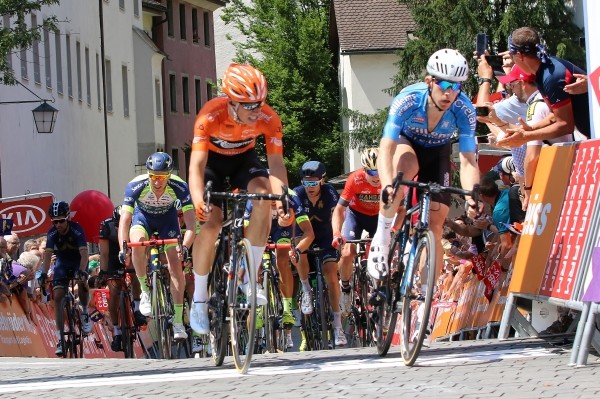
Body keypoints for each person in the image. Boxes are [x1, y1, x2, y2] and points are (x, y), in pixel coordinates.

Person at [187, 63, 289, 335]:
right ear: (232, 102)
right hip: (213, 165)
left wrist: (283, 199)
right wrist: (198, 200)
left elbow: (276, 166)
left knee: (265, 196)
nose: (257, 112)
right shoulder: (209, 116)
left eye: (260, 104)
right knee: (211, 224)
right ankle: (199, 299)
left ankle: (249, 273)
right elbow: (196, 166)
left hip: (244, 160)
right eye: (250, 106)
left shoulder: (269, 119)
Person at [367, 49, 480, 292]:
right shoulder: (408, 99)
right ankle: (383, 239)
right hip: (408, 143)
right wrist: (387, 184)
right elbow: (386, 148)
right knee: (403, 173)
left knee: (437, 224)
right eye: (445, 84)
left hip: (438, 151)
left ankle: (428, 292)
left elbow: (469, 160)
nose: (450, 92)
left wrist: (472, 195)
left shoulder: (464, 109)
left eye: (457, 86)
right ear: (430, 81)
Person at [118, 152, 197, 341]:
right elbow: (125, 221)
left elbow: (192, 224)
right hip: (143, 217)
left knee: (176, 266)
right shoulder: (136, 185)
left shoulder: (180, 186)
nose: (156, 181)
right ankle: (145, 292)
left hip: (167, 220)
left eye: (161, 177)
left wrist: (184, 246)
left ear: (169, 175)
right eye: (153, 176)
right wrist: (123, 248)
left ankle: (178, 321)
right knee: (137, 242)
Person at [498, 27, 590, 148]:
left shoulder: (551, 76)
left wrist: (526, 137)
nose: (513, 62)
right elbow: (556, 116)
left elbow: (565, 125)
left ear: (519, 55)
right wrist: (529, 129)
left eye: (512, 55)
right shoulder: (542, 71)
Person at [294, 161, 347, 347]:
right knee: (299, 250)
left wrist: (337, 234)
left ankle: (338, 325)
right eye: (305, 183)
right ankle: (306, 288)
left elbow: (336, 215)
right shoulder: (297, 194)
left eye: (313, 183)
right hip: (305, 233)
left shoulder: (330, 192)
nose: (309, 188)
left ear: (322, 181)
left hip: (325, 234)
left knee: (331, 274)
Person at [37, 201, 92, 356]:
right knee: (59, 296)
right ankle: (60, 337)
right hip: (62, 263)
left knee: (82, 281)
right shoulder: (52, 233)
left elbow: (84, 254)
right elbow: (47, 255)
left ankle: (85, 312)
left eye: (61, 221)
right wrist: (43, 273)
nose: (58, 225)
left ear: (68, 218)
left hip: (78, 262)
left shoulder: (77, 229)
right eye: (55, 222)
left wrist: (82, 271)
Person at [331, 148, 381, 314]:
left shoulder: (389, 178)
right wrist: (337, 233)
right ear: (365, 170)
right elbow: (339, 209)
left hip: (379, 217)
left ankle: (380, 289)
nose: (376, 176)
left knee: (383, 252)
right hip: (356, 216)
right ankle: (345, 287)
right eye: (372, 171)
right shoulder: (355, 179)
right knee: (347, 252)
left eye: (380, 169)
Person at [99, 206, 147, 352]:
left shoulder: (136, 224)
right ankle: (117, 331)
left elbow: (141, 251)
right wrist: (103, 272)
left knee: (135, 272)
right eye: (118, 224)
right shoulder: (106, 226)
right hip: (113, 256)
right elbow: (104, 253)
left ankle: (138, 307)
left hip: (130, 254)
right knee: (113, 291)